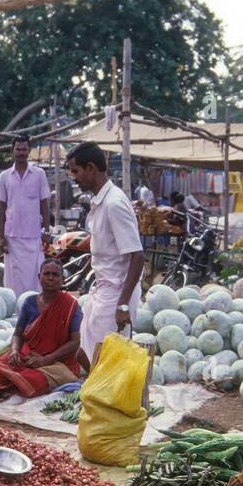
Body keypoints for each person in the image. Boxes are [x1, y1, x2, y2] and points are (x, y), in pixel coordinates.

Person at [0, 258, 81, 406]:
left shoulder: (71, 305)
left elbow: (75, 342)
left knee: (34, 379)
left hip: (58, 363)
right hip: (28, 355)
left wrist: (47, 359)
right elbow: (18, 334)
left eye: (55, 275)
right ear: (39, 277)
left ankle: (6, 392)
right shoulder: (30, 302)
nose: (51, 278)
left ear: (62, 279)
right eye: (47, 274)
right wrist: (14, 351)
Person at [63, 143, 143, 370]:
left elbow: (137, 256)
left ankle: (109, 402)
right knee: (86, 354)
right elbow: (103, 250)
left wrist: (124, 305)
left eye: (75, 171)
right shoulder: (99, 202)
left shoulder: (114, 204)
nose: (74, 178)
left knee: (108, 361)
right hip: (102, 289)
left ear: (90, 168)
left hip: (117, 293)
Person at [0, 136, 50, 297]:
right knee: (14, 280)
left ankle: (35, 311)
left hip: (34, 236)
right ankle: (16, 314)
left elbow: (44, 204)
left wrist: (46, 231)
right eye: (18, 149)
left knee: (35, 278)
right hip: (12, 237)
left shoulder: (39, 174)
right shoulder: (4, 176)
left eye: (24, 149)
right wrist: (0, 236)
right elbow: (2, 208)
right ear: (13, 151)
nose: (21, 152)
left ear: (29, 151)